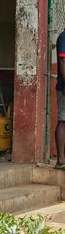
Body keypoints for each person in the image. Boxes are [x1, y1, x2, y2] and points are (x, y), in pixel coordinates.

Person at [55, 28, 65, 169]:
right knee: (63, 120)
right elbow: (63, 61)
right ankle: (61, 160)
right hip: (64, 88)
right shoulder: (64, 36)